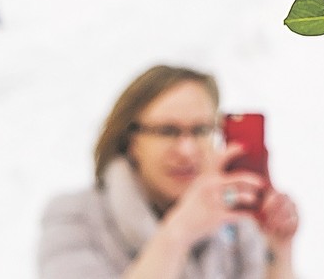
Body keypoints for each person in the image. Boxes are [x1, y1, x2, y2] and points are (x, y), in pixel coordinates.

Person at [39, 65, 299, 278]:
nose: (186, 150)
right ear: (132, 142)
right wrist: (179, 231)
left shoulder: (235, 222)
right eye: (167, 131)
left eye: (200, 130)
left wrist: (279, 251)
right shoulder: (75, 216)